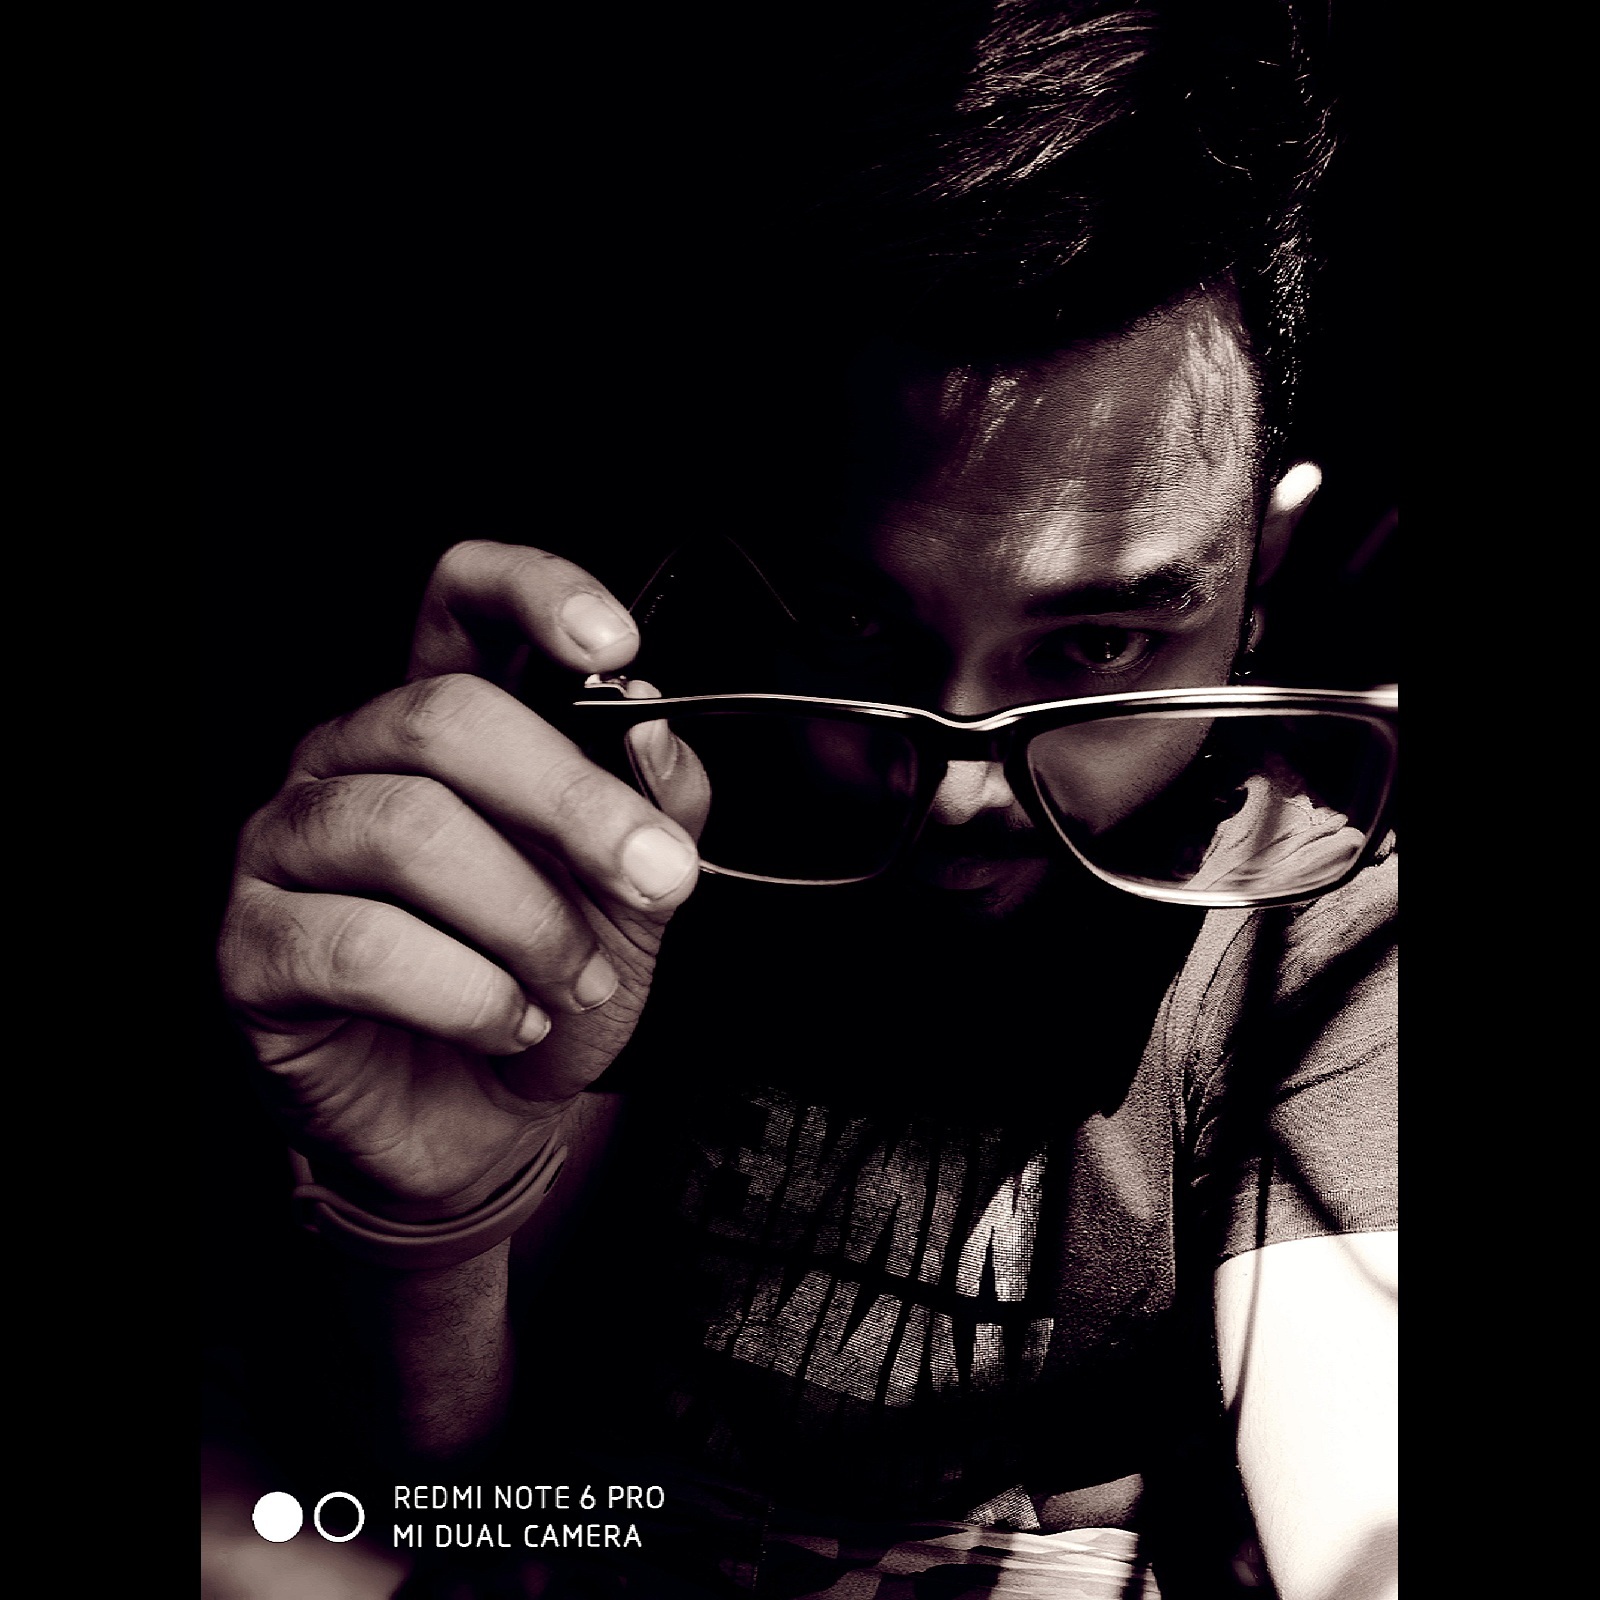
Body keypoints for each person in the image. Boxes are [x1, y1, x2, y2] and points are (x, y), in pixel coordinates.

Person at [209, 4, 1396, 1596]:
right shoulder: (650, 831)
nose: (960, 781)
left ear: (1264, 576)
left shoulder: (1315, 945)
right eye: (857, 623)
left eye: (1100, 643)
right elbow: (426, 1517)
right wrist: (423, 1235)